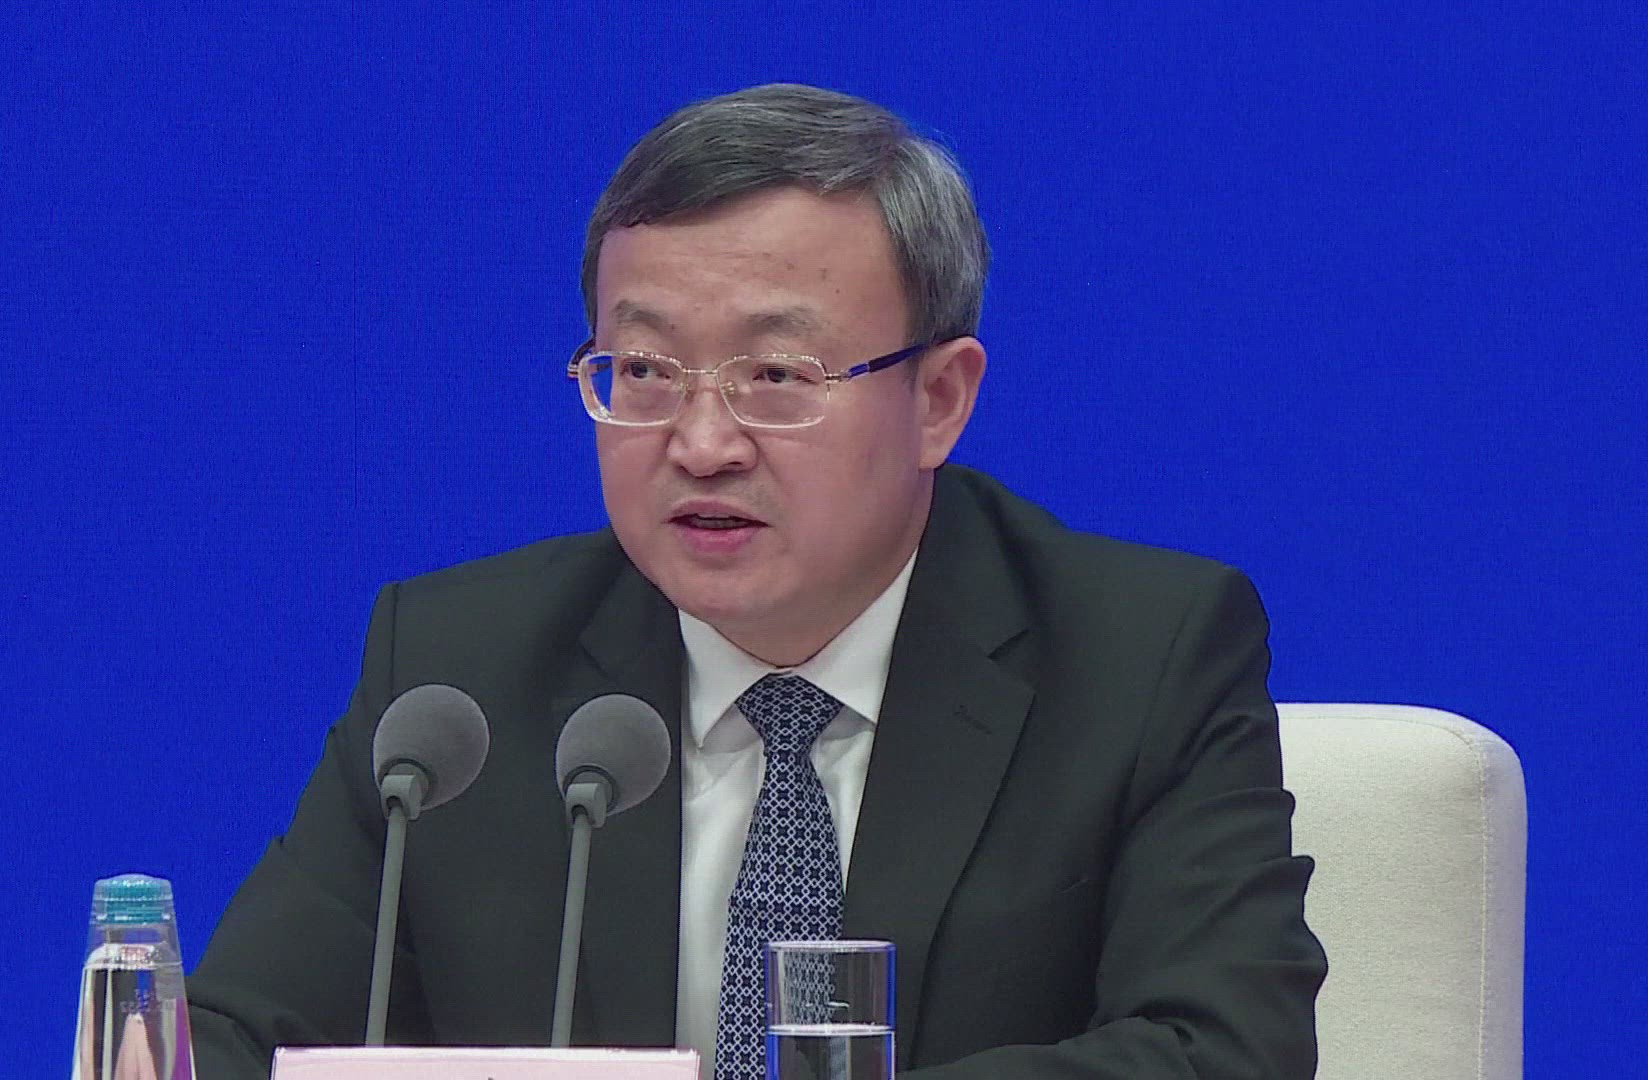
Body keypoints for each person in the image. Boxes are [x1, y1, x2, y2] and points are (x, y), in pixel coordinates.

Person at [187, 83, 1326, 1080]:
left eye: (777, 375)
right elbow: (233, 1037)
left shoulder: (1141, 659)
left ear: (939, 399)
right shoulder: (456, 679)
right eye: (644, 370)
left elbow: (1224, 1051)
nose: (701, 442)